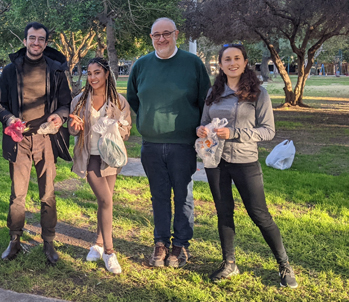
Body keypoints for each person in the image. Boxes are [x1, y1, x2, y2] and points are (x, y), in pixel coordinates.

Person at [196, 44, 298, 288]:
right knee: (223, 212)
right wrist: (200, 130)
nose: (232, 63)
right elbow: (203, 123)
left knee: (259, 214)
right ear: (220, 64)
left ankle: (284, 264)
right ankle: (229, 263)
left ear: (244, 62)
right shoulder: (214, 92)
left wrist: (234, 132)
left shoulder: (258, 93)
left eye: (237, 58)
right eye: (227, 59)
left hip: (245, 161)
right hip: (215, 161)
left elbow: (268, 132)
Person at [126, 17, 210, 268]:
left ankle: (181, 245)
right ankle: (160, 242)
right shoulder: (141, 65)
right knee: (158, 195)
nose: (161, 39)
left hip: (182, 144)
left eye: (166, 34)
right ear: (150, 37)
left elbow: (205, 100)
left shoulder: (192, 63)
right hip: (151, 144)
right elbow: (134, 98)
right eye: (156, 35)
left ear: (176, 34)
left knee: (183, 195)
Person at [0, 21, 71, 265]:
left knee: (47, 193)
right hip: (19, 140)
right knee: (18, 194)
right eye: (32, 38)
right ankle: (14, 239)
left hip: (46, 139)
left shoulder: (56, 70)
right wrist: (9, 118)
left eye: (40, 39)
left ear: (45, 43)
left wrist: (59, 115)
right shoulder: (10, 70)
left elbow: (66, 103)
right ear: (25, 41)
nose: (36, 42)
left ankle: (48, 241)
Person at [68, 58, 131, 274]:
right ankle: (110, 252)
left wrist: (118, 127)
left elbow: (127, 130)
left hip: (110, 157)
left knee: (105, 202)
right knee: (106, 200)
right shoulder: (79, 99)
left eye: (97, 73)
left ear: (106, 75)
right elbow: (73, 130)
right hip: (90, 157)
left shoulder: (118, 101)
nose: (93, 77)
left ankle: (98, 242)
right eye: (89, 73)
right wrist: (75, 127)